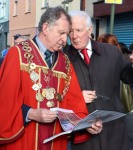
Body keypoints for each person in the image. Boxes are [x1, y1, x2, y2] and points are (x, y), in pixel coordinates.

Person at [0, 7, 102, 150]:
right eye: (61, 33)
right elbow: (4, 100)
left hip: (55, 142)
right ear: (46, 28)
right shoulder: (17, 54)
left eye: (66, 34)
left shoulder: (65, 63)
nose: (64, 40)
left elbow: (74, 103)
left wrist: (86, 124)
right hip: (23, 140)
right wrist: (30, 113)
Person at [64, 10, 133, 150]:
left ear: (90, 30)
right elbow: (57, 95)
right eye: (70, 31)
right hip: (84, 133)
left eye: (79, 30)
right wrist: (77, 97)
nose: (74, 36)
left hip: (114, 130)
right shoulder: (63, 58)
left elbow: (131, 79)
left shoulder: (111, 52)